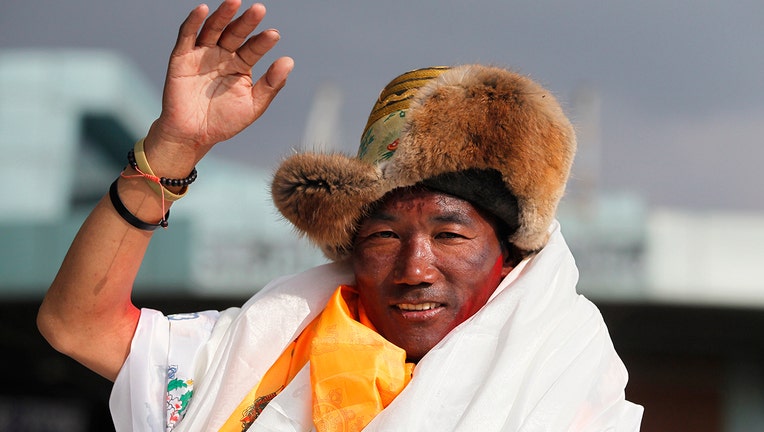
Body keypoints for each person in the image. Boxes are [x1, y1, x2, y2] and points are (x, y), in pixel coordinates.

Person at [37, 1, 644, 430]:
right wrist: (173, 148)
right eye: (383, 234)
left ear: (508, 253)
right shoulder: (260, 358)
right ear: (350, 246)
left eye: (450, 233)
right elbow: (77, 325)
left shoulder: (568, 392)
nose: (415, 268)